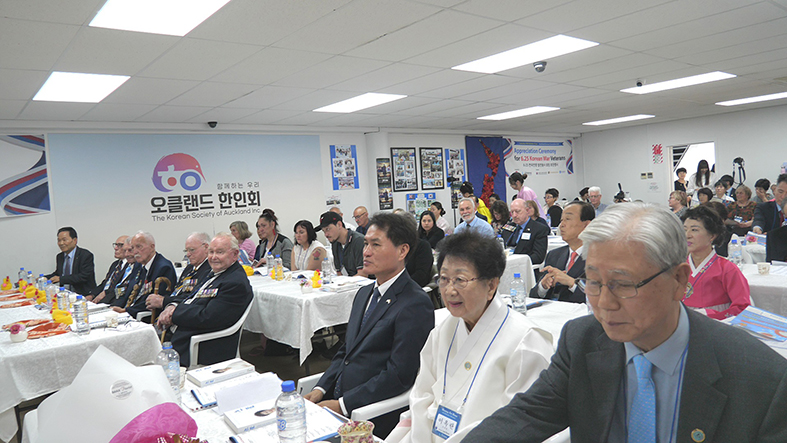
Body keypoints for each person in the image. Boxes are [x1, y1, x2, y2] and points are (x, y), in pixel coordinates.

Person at [463, 203, 787, 443]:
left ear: (678, 281)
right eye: (593, 282)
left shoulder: (760, 378)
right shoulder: (582, 341)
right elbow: (525, 416)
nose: (604, 303)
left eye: (623, 284)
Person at [386, 232, 553, 443]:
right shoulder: (443, 331)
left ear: (491, 285)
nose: (449, 291)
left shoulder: (526, 341)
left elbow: (519, 424)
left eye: (460, 280)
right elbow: (421, 395)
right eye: (444, 279)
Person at [303, 213, 435, 437]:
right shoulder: (364, 293)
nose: (366, 252)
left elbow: (399, 375)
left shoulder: (414, 303)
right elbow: (347, 350)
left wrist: (343, 405)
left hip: (369, 412)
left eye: (376, 244)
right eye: (365, 244)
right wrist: (320, 388)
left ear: (402, 251)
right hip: (336, 398)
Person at [157, 233, 253, 367]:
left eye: (220, 252)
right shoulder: (214, 273)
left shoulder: (235, 282)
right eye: (211, 252)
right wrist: (172, 306)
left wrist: (174, 314)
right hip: (178, 332)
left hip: (202, 344)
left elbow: (207, 317)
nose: (213, 257)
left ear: (235, 254)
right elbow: (191, 297)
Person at [682, 205, 751, 319]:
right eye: (685, 230)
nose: (687, 235)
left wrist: (711, 316)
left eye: (694, 230)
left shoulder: (727, 269)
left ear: (712, 236)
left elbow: (742, 307)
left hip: (716, 324)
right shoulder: (678, 266)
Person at [530, 201, 594, 303]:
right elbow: (533, 296)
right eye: (561, 220)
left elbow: (601, 299)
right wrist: (543, 286)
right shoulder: (554, 254)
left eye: (568, 219)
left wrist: (571, 283)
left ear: (587, 225)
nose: (561, 225)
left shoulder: (600, 258)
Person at [113, 231, 176, 319]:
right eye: (133, 248)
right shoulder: (138, 265)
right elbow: (130, 292)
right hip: (128, 311)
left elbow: (154, 302)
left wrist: (127, 311)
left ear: (152, 247)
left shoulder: (163, 267)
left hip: (145, 316)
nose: (135, 252)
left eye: (139, 247)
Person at [145, 232, 212, 311]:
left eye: (192, 250)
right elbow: (177, 291)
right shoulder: (189, 268)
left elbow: (192, 297)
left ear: (206, 247)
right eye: (186, 251)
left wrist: (164, 301)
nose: (188, 254)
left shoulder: (210, 269)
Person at [46, 227, 96, 296]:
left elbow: (83, 276)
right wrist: (45, 278)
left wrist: (61, 279)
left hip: (82, 294)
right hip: (64, 293)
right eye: (59, 240)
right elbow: (59, 273)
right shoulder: (60, 256)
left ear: (75, 240)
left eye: (64, 240)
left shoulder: (85, 255)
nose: (61, 243)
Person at [317, 210, 367, 277]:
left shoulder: (358, 241)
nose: (326, 234)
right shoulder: (335, 243)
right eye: (323, 231)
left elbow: (362, 275)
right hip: (348, 281)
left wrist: (345, 282)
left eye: (328, 229)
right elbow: (339, 272)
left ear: (339, 225)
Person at [500, 199, 549, 264]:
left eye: (517, 211)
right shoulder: (508, 227)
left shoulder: (538, 229)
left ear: (527, 211)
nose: (514, 215)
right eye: (512, 212)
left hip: (524, 265)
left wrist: (517, 262)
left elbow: (538, 257)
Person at [89, 235, 128, 304]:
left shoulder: (131, 267)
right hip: (101, 300)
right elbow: (105, 284)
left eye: (120, 245)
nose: (116, 248)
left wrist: (105, 293)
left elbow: (122, 288)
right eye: (116, 245)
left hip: (113, 301)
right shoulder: (115, 264)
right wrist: (91, 295)